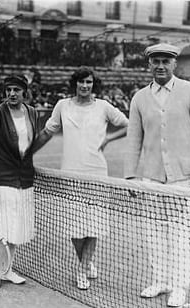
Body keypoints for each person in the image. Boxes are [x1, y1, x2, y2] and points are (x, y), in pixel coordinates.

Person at [123, 43, 190, 306]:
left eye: (165, 61)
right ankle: (161, 280)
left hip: (184, 179)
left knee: (181, 235)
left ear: (175, 64)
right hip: (150, 179)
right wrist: (130, 176)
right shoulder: (139, 98)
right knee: (154, 233)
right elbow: (133, 140)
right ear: (149, 64)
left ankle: (179, 286)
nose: (160, 66)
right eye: (155, 61)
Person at [32, 67, 129, 290]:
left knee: (93, 225)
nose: (85, 86)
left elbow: (128, 125)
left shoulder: (104, 107)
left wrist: (107, 140)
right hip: (71, 173)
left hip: (96, 173)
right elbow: (47, 133)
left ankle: (83, 268)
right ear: (74, 84)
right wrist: (28, 154)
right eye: (81, 82)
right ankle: (86, 263)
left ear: (93, 84)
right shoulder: (62, 106)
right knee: (75, 227)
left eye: (89, 82)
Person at [0, 75, 44, 290]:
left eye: (16, 89)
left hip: (24, 181)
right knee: (3, 229)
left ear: (24, 91)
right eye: (8, 90)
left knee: (16, 228)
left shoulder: (32, 113)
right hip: (2, 180)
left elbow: (31, 145)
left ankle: (7, 270)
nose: (12, 94)